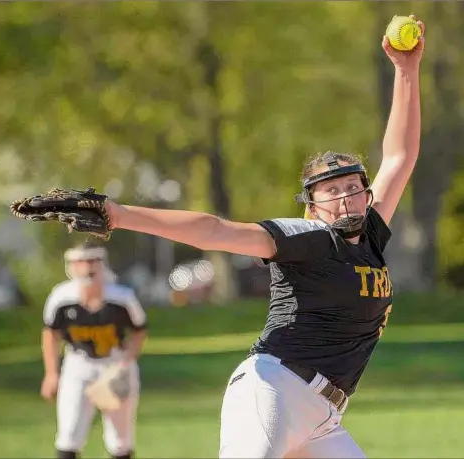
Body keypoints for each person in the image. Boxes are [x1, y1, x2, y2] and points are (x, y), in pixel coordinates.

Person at [102, 16, 425, 459]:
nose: (346, 197)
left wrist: (406, 70)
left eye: (353, 186)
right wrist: (118, 214)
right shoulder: (310, 238)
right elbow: (213, 230)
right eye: (331, 191)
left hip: (325, 417)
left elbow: (401, 156)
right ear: (311, 207)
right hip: (275, 389)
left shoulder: (369, 236)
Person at [40, 242, 148, 459]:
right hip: (78, 364)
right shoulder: (61, 298)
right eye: (80, 261)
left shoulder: (121, 297)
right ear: (70, 266)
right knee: (69, 433)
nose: (87, 267)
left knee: (120, 439)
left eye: (92, 260)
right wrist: (51, 374)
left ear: (102, 264)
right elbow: (51, 334)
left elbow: (139, 331)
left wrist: (127, 362)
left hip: (114, 362)